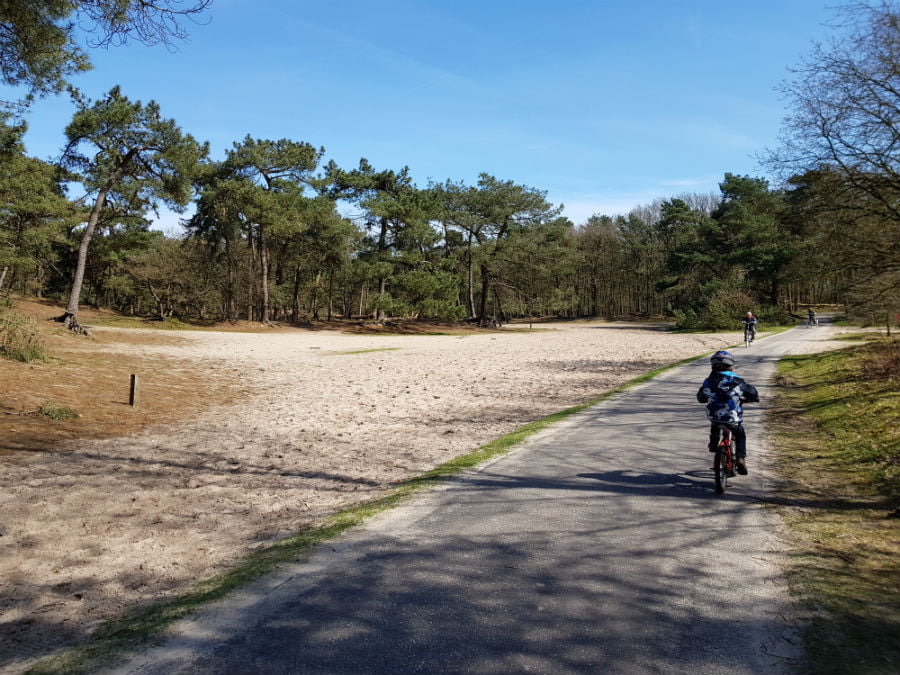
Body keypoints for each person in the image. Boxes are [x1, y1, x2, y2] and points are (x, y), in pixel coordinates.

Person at [697, 350, 759, 475]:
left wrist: (706, 397)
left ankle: (714, 443)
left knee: (715, 423)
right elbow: (753, 393)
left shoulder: (708, 382)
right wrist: (751, 398)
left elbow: (701, 397)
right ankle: (741, 458)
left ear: (712, 367)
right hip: (732, 418)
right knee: (740, 435)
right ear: (731, 367)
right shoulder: (738, 381)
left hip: (714, 416)